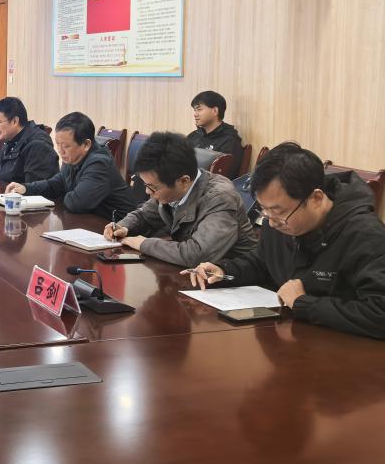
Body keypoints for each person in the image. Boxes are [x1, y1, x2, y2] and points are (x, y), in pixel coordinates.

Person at [185, 142, 385, 339]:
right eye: (265, 210)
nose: (271, 223)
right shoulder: (280, 221)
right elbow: (263, 262)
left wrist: (303, 303)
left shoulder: (366, 235)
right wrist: (225, 271)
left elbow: (380, 312)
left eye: (278, 211)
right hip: (290, 338)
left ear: (316, 198)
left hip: (343, 350)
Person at [103, 131, 258, 266]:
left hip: (232, 278)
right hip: (193, 273)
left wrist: (144, 244)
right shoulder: (169, 186)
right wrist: (123, 227)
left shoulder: (220, 197)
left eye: (152, 187)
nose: (147, 191)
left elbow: (198, 254)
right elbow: (144, 215)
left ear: (183, 181)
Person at [6, 111, 134, 217]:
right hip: (90, 223)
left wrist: (62, 194)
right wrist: (26, 188)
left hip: (119, 229)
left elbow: (77, 203)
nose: (60, 151)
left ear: (86, 144)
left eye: (66, 146)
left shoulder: (99, 163)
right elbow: (55, 184)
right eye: (58, 145)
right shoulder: (72, 157)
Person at [0, 96, 58, 184]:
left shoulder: (37, 146)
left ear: (15, 121)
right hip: (7, 191)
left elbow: (33, 189)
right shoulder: (10, 140)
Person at [187, 90, 244, 177]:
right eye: (195, 110)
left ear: (215, 111)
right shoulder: (193, 136)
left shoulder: (229, 140)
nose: (195, 114)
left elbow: (225, 175)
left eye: (199, 109)